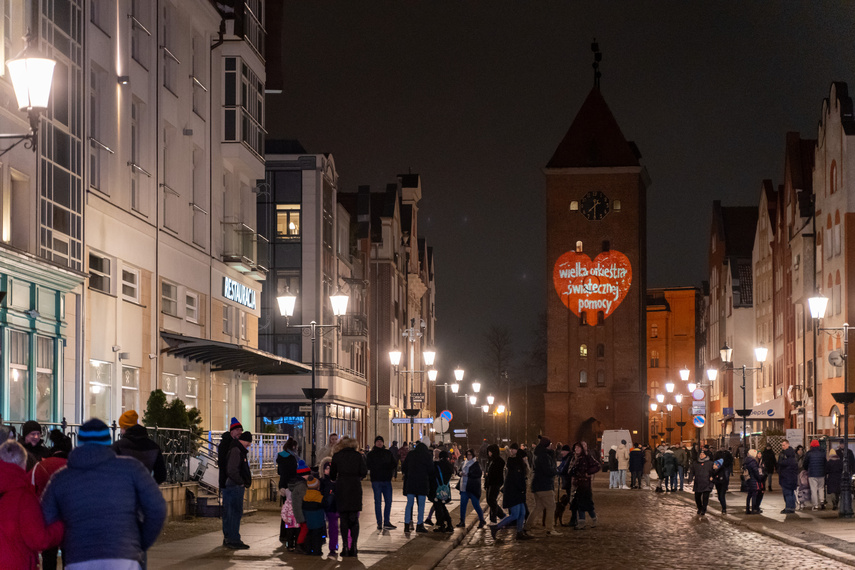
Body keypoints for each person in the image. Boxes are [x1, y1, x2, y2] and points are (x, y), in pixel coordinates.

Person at [41, 418, 167, 567]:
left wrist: (69, 538)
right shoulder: (132, 469)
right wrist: (140, 542)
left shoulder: (61, 478)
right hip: (124, 558)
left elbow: (45, 517)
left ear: (80, 443)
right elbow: (157, 508)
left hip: (79, 558)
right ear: (108, 442)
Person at [0, 440, 64, 569]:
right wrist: (60, 526)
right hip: (16, 564)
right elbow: (39, 540)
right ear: (24, 463)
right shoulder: (23, 497)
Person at [330, 436, 367, 557]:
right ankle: (354, 547)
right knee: (354, 518)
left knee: (344, 518)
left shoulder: (337, 456)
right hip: (355, 487)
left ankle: (345, 547)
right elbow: (363, 472)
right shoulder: (358, 456)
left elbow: (332, 475)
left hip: (342, 487)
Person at [489, 443, 531, 541]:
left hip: (519, 492)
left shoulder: (520, 465)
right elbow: (515, 480)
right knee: (515, 514)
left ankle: (519, 532)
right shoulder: (514, 464)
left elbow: (523, 477)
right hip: (514, 492)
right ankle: (496, 527)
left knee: (522, 513)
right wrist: (521, 489)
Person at [112, 409, 167, 484]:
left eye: (121, 428)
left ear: (125, 428)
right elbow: (161, 475)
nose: (121, 431)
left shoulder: (118, 446)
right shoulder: (154, 447)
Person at [222, 430, 253, 549]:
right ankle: (233, 539)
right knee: (235, 512)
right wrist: (241, 482)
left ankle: (230, 538)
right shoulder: (236, 450)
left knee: (231, 512)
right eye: (248, 442)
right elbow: (232, 470)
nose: (249, 445)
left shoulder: (236, 449)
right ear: (243, 440)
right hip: (234, 485)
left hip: (233, 485)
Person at [525, 436, 560, 535]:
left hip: (537, 484)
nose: (552, 445)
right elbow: (547, 470)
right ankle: (549, 528)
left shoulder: (538, 454)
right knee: (551, 506)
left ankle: (527, 526)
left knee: (539, 507)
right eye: (550, 444)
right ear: (547, 445)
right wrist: (555, 471)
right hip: (544, 485)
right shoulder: (544, 456)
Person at [401, 440, 434, 533]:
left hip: (411, 484)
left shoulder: (411, 455)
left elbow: (404, 467)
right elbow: (431, 470)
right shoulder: (427, 456)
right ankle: (420, 525)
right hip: (422, 484)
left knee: (409, 504)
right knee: (421, 505)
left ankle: (406, 525)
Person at [366, 435, 397, 530]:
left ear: (383, 443)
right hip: (376, 481)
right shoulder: (371, 454)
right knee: (378, 502)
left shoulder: (388, 453)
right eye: (378, 441)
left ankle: (386, 521)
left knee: (388, 501)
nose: (379, 443)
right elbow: (368, 465)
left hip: (386, 481)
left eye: (381, 441)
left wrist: (388, 470)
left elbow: (394, 464)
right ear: (375, 443)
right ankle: (379, 522)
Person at [568, 442, 599, 529]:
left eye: (578, 448)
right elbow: (571, 470)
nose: (576, 450)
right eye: (575, 448)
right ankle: (582, 521)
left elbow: (597, 466)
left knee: (586, 504)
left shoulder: (587, 457)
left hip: (585, 484)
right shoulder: (575, 458)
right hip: (577, 484)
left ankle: (593, 519)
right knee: (579, 504)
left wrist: (588, 472)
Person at [277, 438, 300, 545]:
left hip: (282, 485)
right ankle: (290, 535)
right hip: (291, 486)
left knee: (285, 510)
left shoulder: (280, 456)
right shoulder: (292, 458)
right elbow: (295, 472)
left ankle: (283, 534)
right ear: (294, 447)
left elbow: (279, 472)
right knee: (291, 511)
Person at [459, 448, 487, 529]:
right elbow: (459, 471)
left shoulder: (475, 464)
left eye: (470, 454)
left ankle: (482, 520)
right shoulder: (464, 463)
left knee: (476, 505)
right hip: (463, 487)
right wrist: (460, 473)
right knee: (463, 505)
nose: (469, 456)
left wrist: (468, 474)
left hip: (472, 488)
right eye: (467, 454)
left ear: (473, 455)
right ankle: (462, 521)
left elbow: (478, 474)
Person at [301, 474, 326, 556]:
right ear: (317, 486)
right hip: (318, 522)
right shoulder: (320, 497)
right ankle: (317, 551)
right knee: (317, 536)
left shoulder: (305, 497)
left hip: (309, 521)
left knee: (309, 535)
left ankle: (308, 550)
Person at [319, 457, 340, 556]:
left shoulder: (338, 481)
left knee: (334, 528)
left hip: (335, 507)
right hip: (326, 508)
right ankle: (326, 545)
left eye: (330, 469)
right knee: (328, 527)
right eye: (327, 469)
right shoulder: (322, 481)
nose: (329, 471)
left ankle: (334, 546)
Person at [431, 450, 455, 533]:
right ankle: (449, 524)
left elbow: (432, 475)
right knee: (443, 506)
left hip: (437, 489)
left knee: (438, 507)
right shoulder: (449, 465)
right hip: (445, 490)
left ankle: (441, 525)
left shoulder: (437, 465)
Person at [218, 417, 243, 491]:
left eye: (241, 430)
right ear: (232, 432)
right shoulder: (225, 444)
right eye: (237, 430)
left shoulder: (236, 443)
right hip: (228, 481)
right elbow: (223, 463)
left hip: (231, 481)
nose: (240, 432)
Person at [485, 444, 506, 522]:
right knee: (490, 501)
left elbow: (497, 473)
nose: (489, 453)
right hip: (489, 483)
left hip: (495, 483)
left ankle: (494, 518)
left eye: (490, 451)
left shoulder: (499, 461)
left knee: (492, 500)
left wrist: (489, 474)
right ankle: (501, 515)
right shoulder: (490, 460)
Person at [804, 439, 827, 510]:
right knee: (821, 488)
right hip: (821, 473)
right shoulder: (822, 453)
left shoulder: (809, 453)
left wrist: (807, 469)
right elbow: (825, 463)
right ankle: (822, 501)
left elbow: (805, 463)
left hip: (812, 474)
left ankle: (815, 505)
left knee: (813, 489)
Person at [777, 439, 798, 514]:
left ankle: (789, 508)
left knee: (788, 493)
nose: (783, 446)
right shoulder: (793, 455)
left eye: (784, 445)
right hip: (791, 477)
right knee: (791, 492)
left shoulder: (786, 456)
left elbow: (781, 464)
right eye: (782, 445)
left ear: (788, 444)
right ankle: (792, 507)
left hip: (786, 477)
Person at [691, 450, 714, 516]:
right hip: (698, 482)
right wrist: (690, 478)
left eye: (703, 454)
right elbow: (692, 471)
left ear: (706, 455)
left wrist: (712, 478)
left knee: (705, 497)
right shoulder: (696, 463)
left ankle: (704, 509)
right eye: (700, 454)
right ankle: (699, 508)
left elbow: (714, 472)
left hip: (707, 483)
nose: (701, 455)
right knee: (697, 497)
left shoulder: (710, 463)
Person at [743, 448, 762, 514]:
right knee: (754, 494)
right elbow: (756, 472)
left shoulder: (746, 461)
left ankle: (747, 509)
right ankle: (754, 509)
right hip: (753, 479)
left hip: (749, 479)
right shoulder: (753, 462)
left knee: (749, 495)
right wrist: (759, 478)